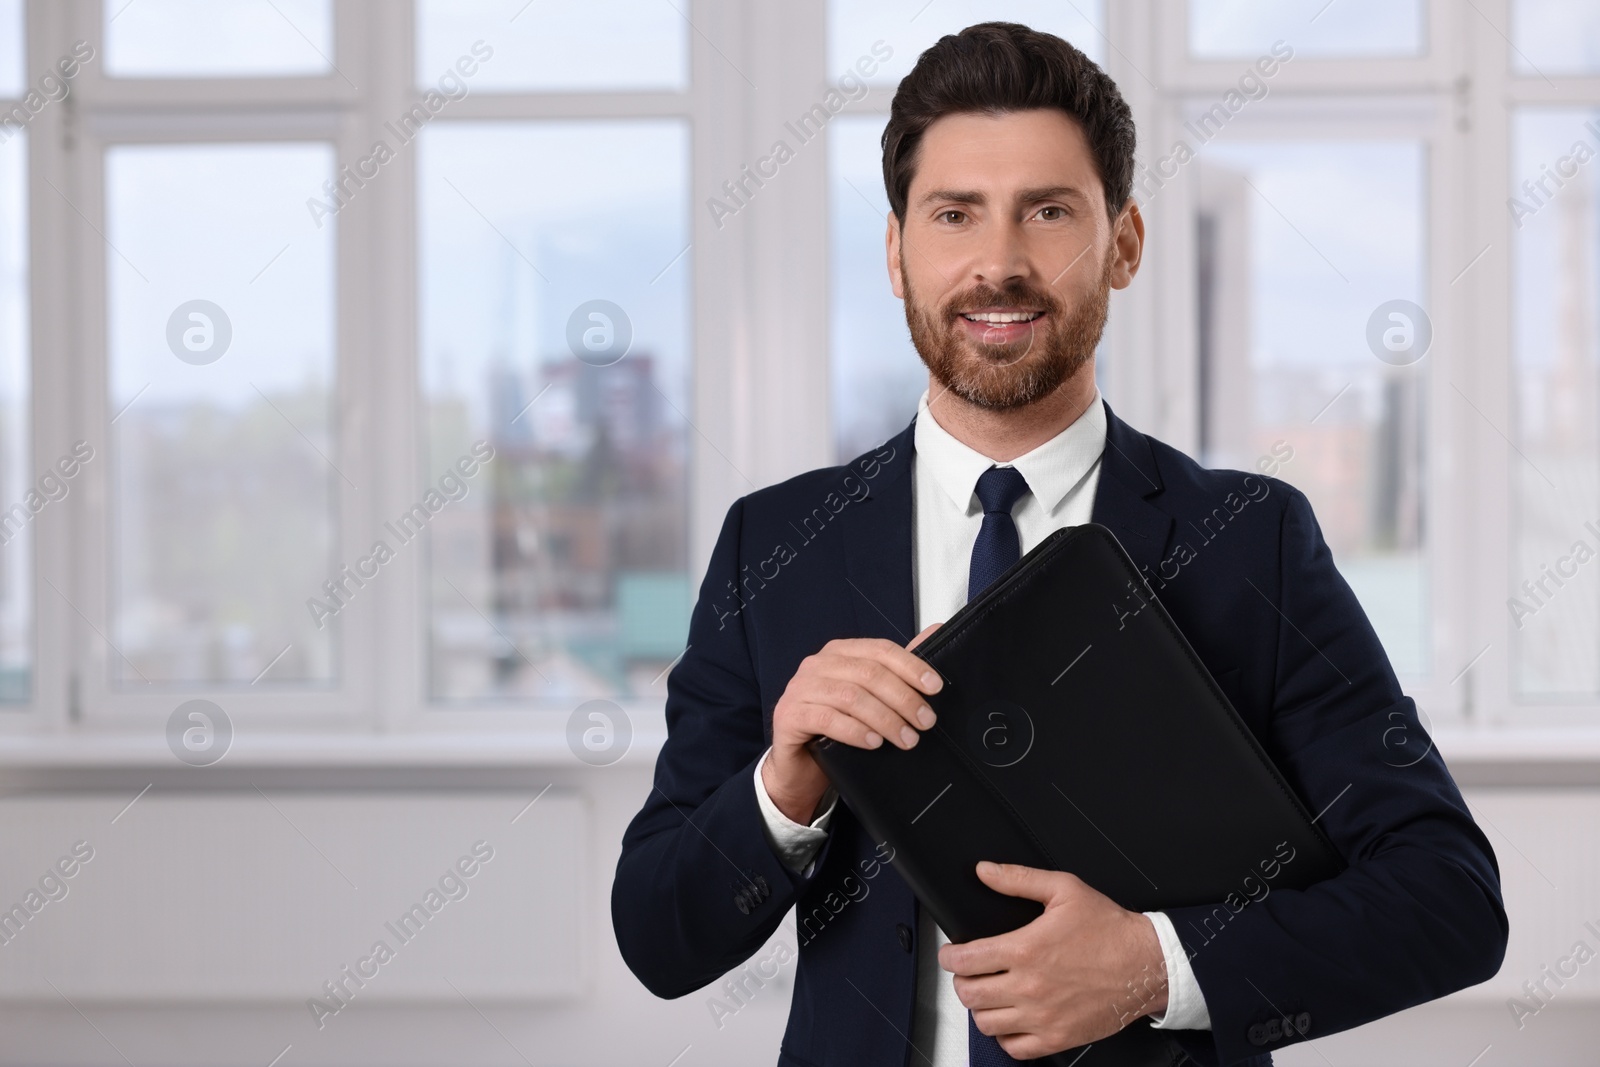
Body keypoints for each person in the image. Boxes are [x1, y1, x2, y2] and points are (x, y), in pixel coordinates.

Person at [612, 22, 1507, 1067]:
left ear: (1123, 242)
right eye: (955, 215)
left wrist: (1154, 964)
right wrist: (783, 786)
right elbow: (658, 935)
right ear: (899, 252)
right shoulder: (775, 542)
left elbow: (1446, 897)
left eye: (1048, 212)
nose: (998, 264)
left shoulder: (1248, 540)